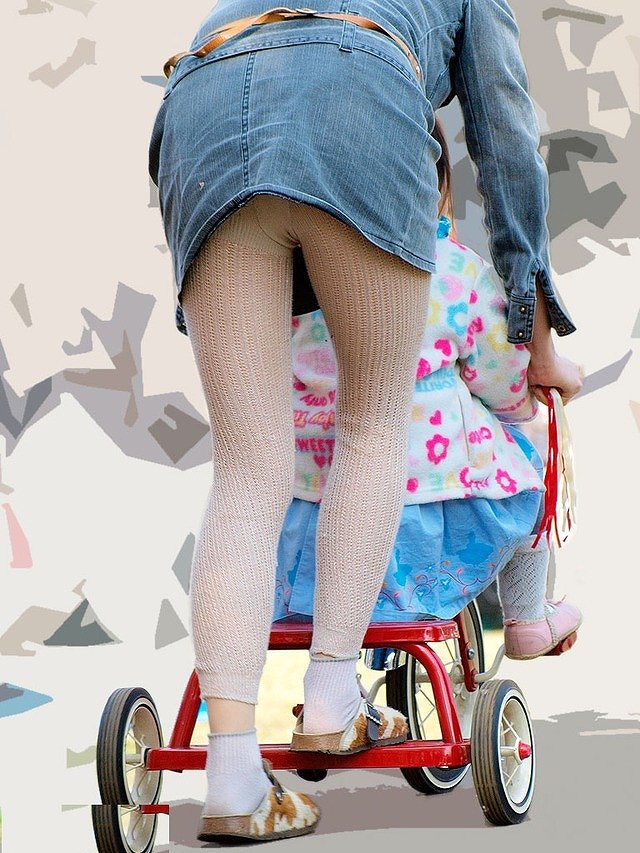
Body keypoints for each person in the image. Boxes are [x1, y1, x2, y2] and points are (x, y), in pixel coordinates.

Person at [148, 0, 583, 843]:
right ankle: (332, 696)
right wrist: (534, 331)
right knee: (373, 424)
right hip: (355, 96)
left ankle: (234, 778)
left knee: (247, 467)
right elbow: (506, 135)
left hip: (201, 105)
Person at [276, 118, 582, 664]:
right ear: (436, 182)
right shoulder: (453, 269)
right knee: (529, 470)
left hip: (314, 501)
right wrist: (522, 402)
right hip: (424, 502)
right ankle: (528, 617)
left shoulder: (294, 276)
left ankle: (342, 684)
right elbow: (501, 376)